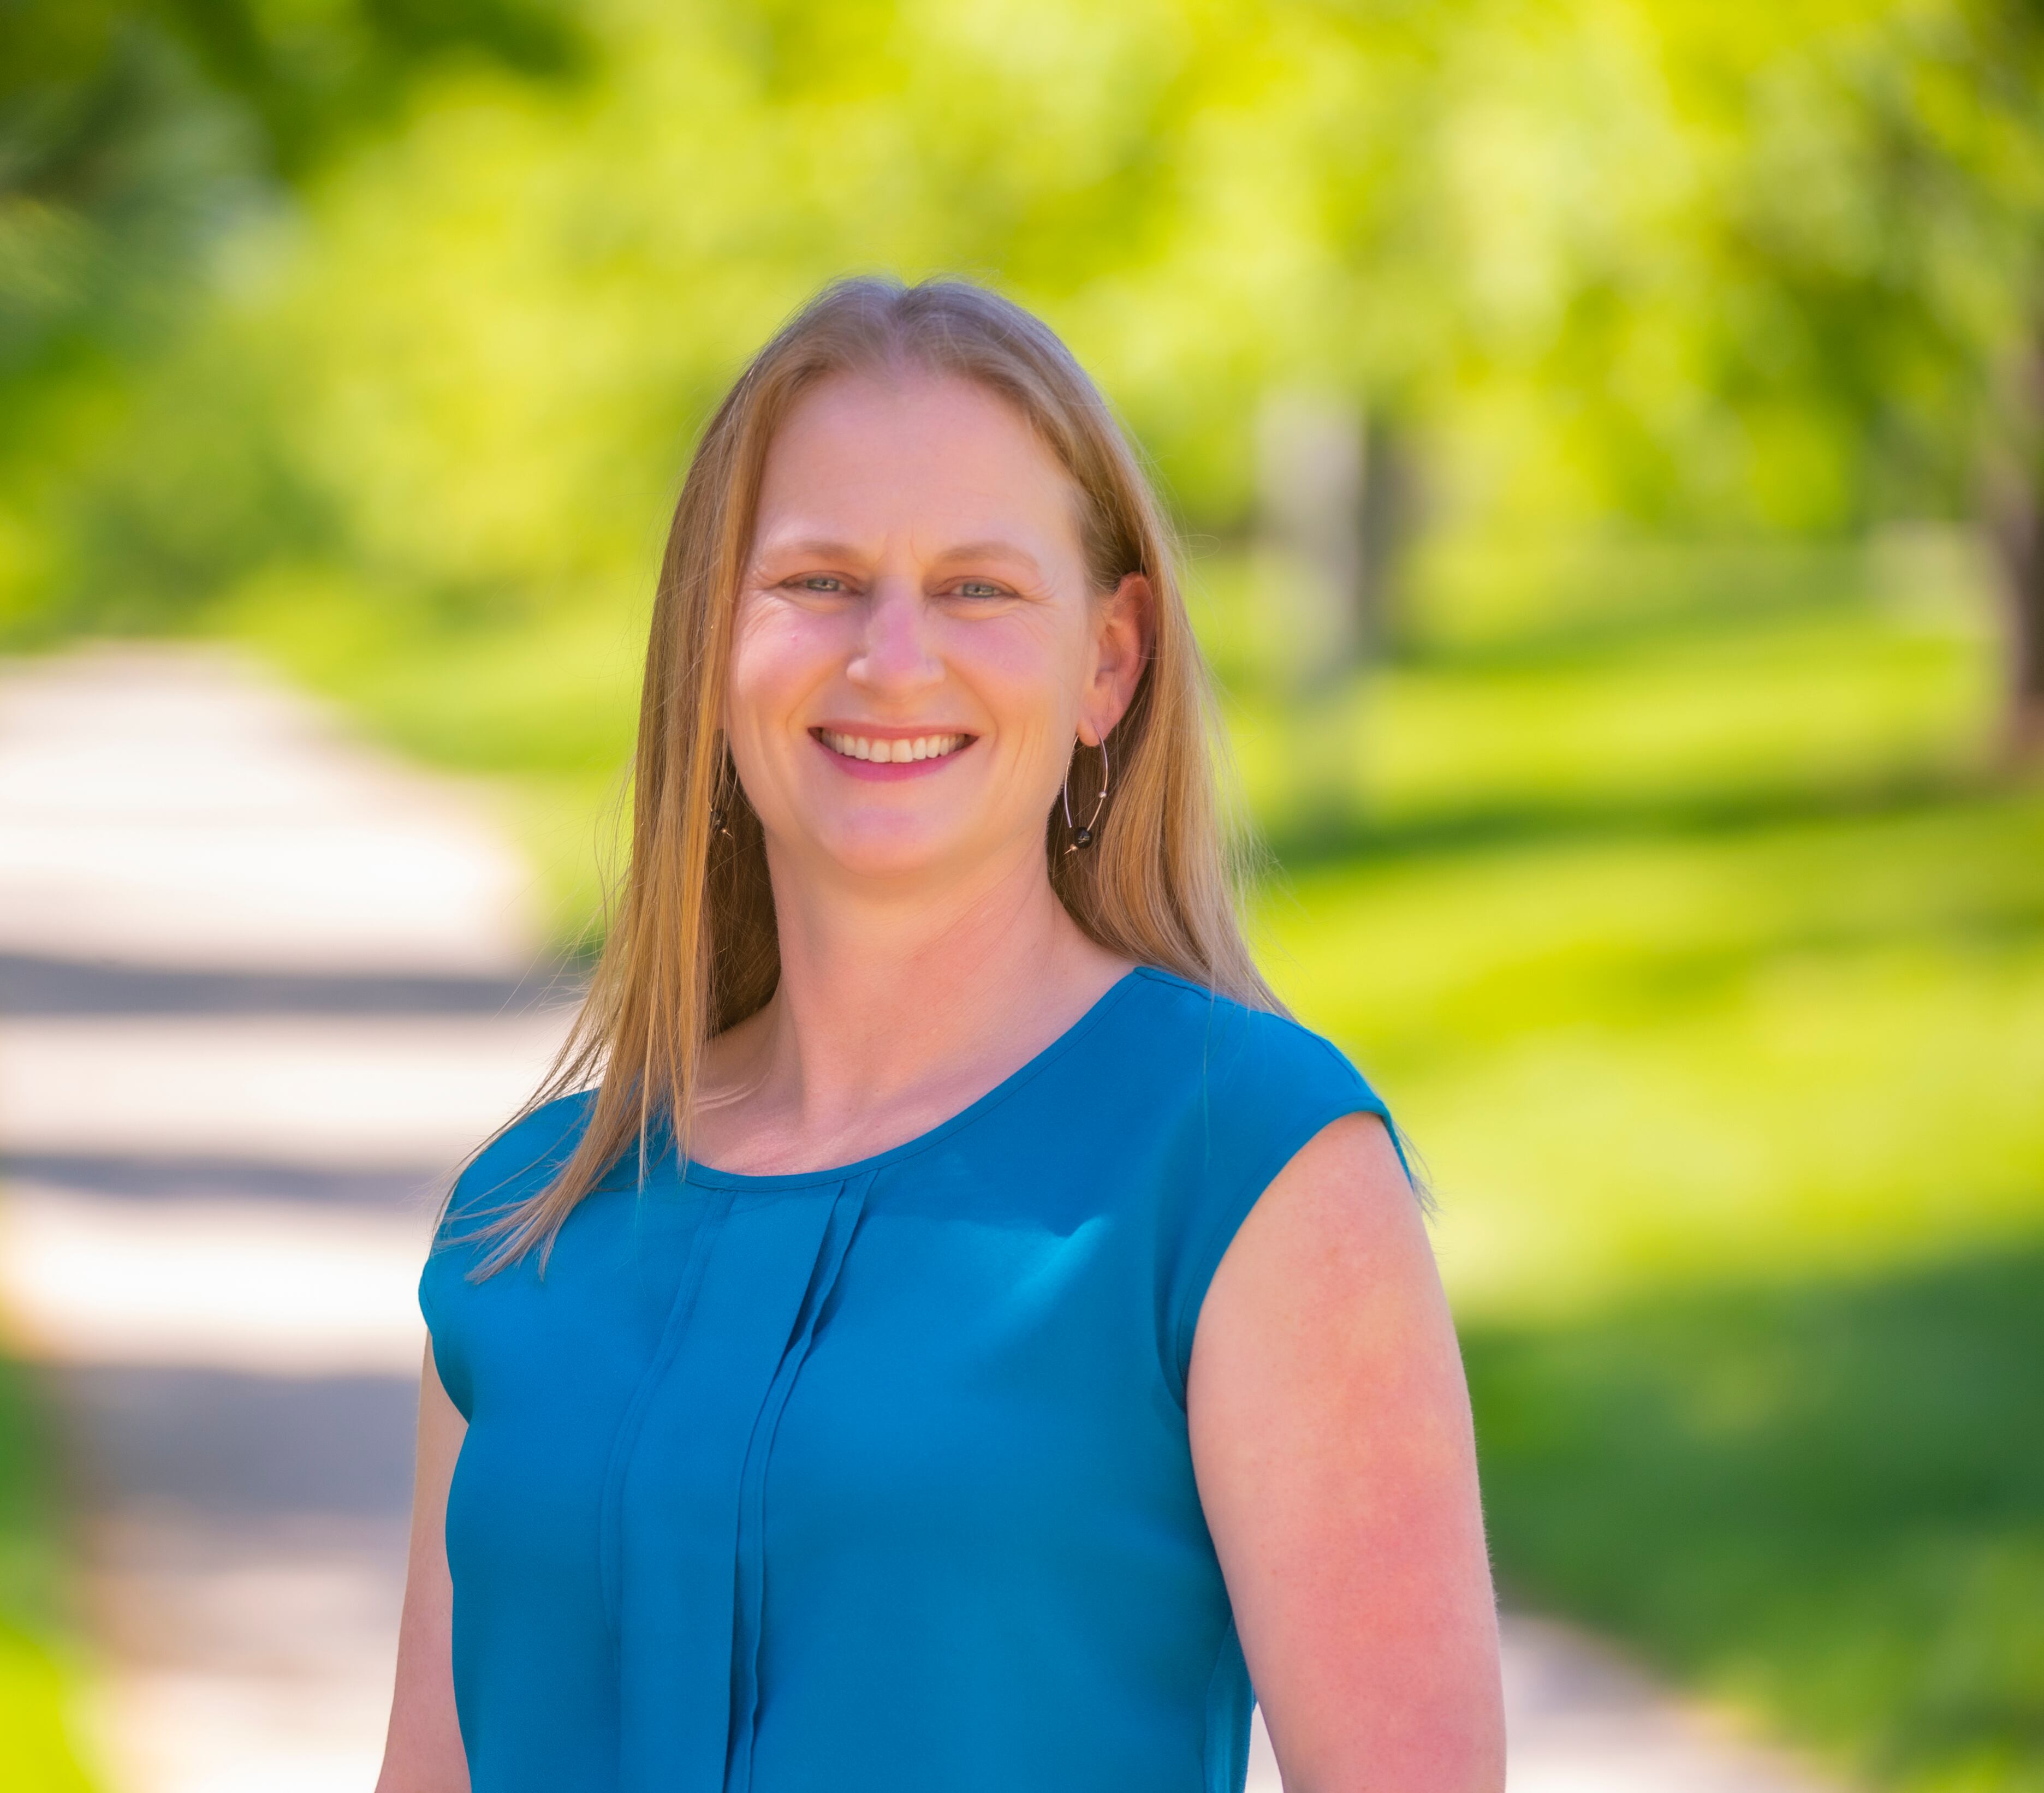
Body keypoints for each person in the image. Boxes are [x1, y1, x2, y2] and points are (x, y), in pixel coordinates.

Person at [376, 277, 1504, 1793]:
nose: (892, 657)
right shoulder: (532, 1216)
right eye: (819, 582)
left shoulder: (1247, 1167)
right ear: (712, 648)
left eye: (978, 589)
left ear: (1109, 662)